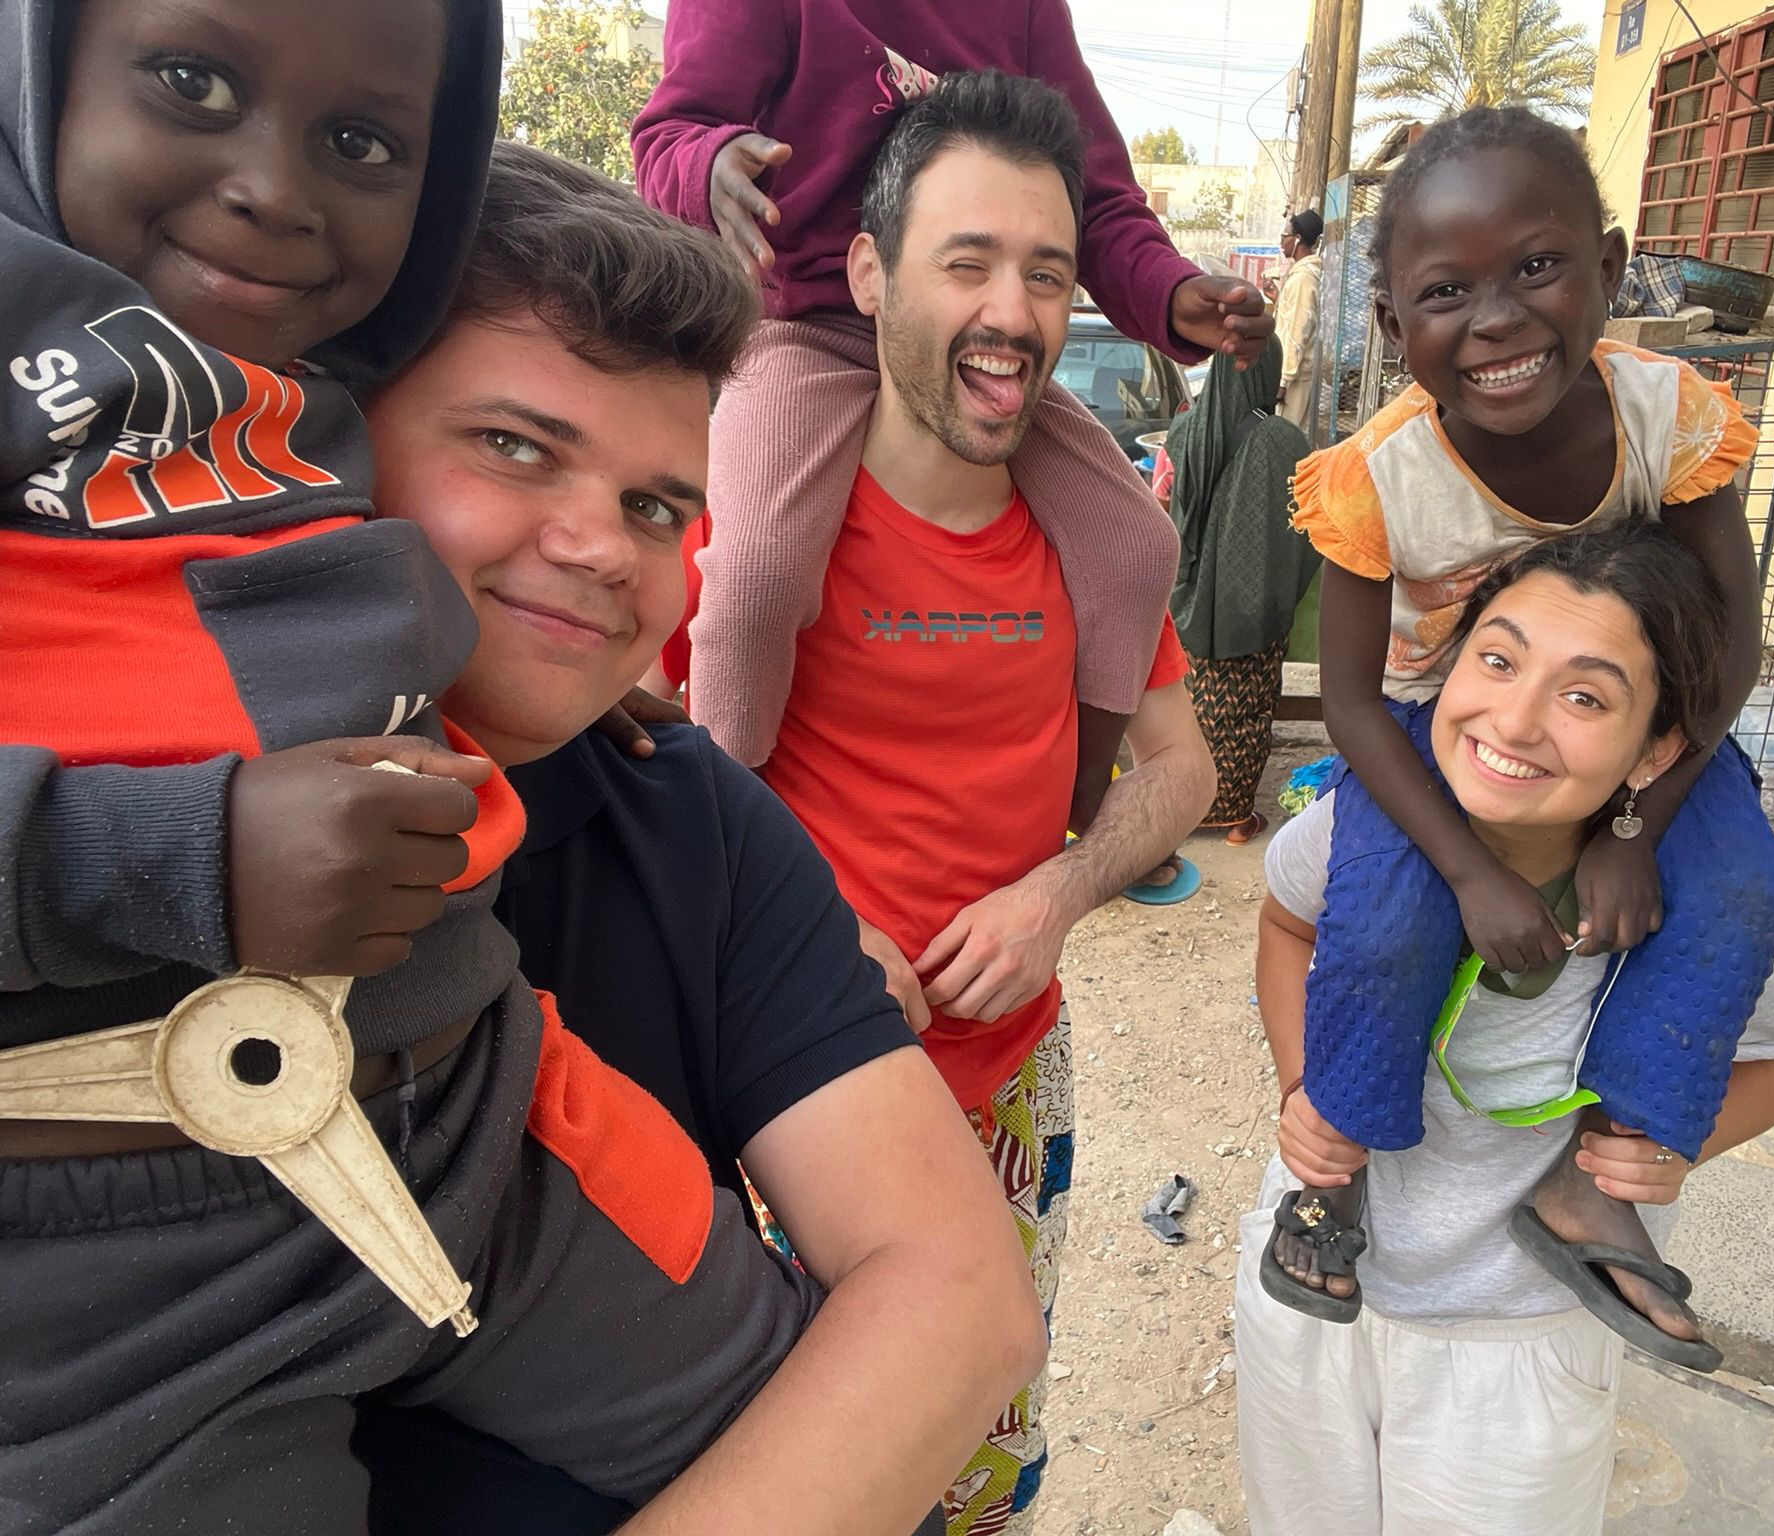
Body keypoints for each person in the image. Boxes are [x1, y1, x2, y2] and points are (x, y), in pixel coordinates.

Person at [0, 6, 818, 1525]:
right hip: (126, 1261)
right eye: (513, 446)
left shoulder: (683, 806)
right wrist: (182, 853)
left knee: (825, 1418)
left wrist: (509, 678)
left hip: (473, 1122)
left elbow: (947, 1322)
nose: (275, 187)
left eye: (363, 142)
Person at [348, 141, 1044, 1536]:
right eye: (515, 448)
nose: (603, 546)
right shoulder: (119, 811)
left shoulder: (684, 815)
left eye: (656, 507)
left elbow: (960, 1294)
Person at [732, 72, 1216, 1535]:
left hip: (1010, 1071)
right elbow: (650, 771)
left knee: (983, 1451)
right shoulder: (757, 532)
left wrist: (1055, 892)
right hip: (785, 1096)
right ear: (868, 274)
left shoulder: (1082, 538)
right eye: (967, 263)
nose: (1013, 312)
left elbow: (1182, 766)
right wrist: (809, 933)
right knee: (790, 1460)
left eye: (1047, 273)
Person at [1281, 106, 1774, 1350]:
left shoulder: (1662, 415)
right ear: (1392, 327)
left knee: (1738, 892)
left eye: (1536, 266)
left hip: (1644, 728)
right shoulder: (1377, 478)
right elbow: (1349, 703)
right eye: (1445, 292)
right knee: (1386, 914)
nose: (1497, 318)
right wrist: (1465, 870)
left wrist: (1634, 827)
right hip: (1434, 726)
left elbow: (1730, 649)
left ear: (1607, 269)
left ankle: (1597, 1176)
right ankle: (1334, 1162)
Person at [1236, 524, 1774, 1535]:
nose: (1513, 721)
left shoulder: (1704, 904)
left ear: (1657, 751)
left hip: (1520, 1335)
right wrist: (1301, 1086)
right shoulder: (1351, 832)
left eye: (1585, 696)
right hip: (1314, 1291)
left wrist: (1674, 1148)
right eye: (1498, 661)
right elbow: (1285, 927)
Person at [633, 0, 1270, 831]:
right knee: (759, 573)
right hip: (810, 329)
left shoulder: (1024, 11)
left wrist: (1171, 291)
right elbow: (670, 132)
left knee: (1137, 542)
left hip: (971, 348)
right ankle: (732, 834)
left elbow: (1095, 197)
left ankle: (1076, 803)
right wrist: (711, 164)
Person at [1153, 338, 1319, 843]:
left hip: (1186, 602)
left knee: (1189, 706)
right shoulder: (1285, 441)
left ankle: (1180, 810)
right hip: (1256, 606)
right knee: (1244, 710)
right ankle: (1236, 819)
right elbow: (1310, 522)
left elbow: (1161, 504)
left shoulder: (1184, 430)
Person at [1274, 209, 1323, 430]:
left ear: (1298, 239)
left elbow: (1297, 330)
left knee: (1286, 436)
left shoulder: (1303, 278)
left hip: (1295, 377)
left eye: (1285, 236)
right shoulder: (1302, 275)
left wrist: (1283, 380)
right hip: (1296, 373)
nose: (1281, 241)